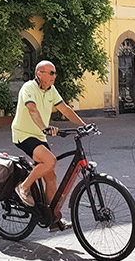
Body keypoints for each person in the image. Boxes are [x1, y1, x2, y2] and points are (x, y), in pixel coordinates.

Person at [11, 60, 87, 231]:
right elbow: (32, 110)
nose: (54, 76)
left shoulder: (51, 90)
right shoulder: (28, 88)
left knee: (51, 177)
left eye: (54, 73)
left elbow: (65, 109)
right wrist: (44, 128)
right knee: (50, 161)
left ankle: (52, 218)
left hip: (39, 135)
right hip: (24, 134)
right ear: (40, 73)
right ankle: (22, 187)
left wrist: (83, 125)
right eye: (51, 73)